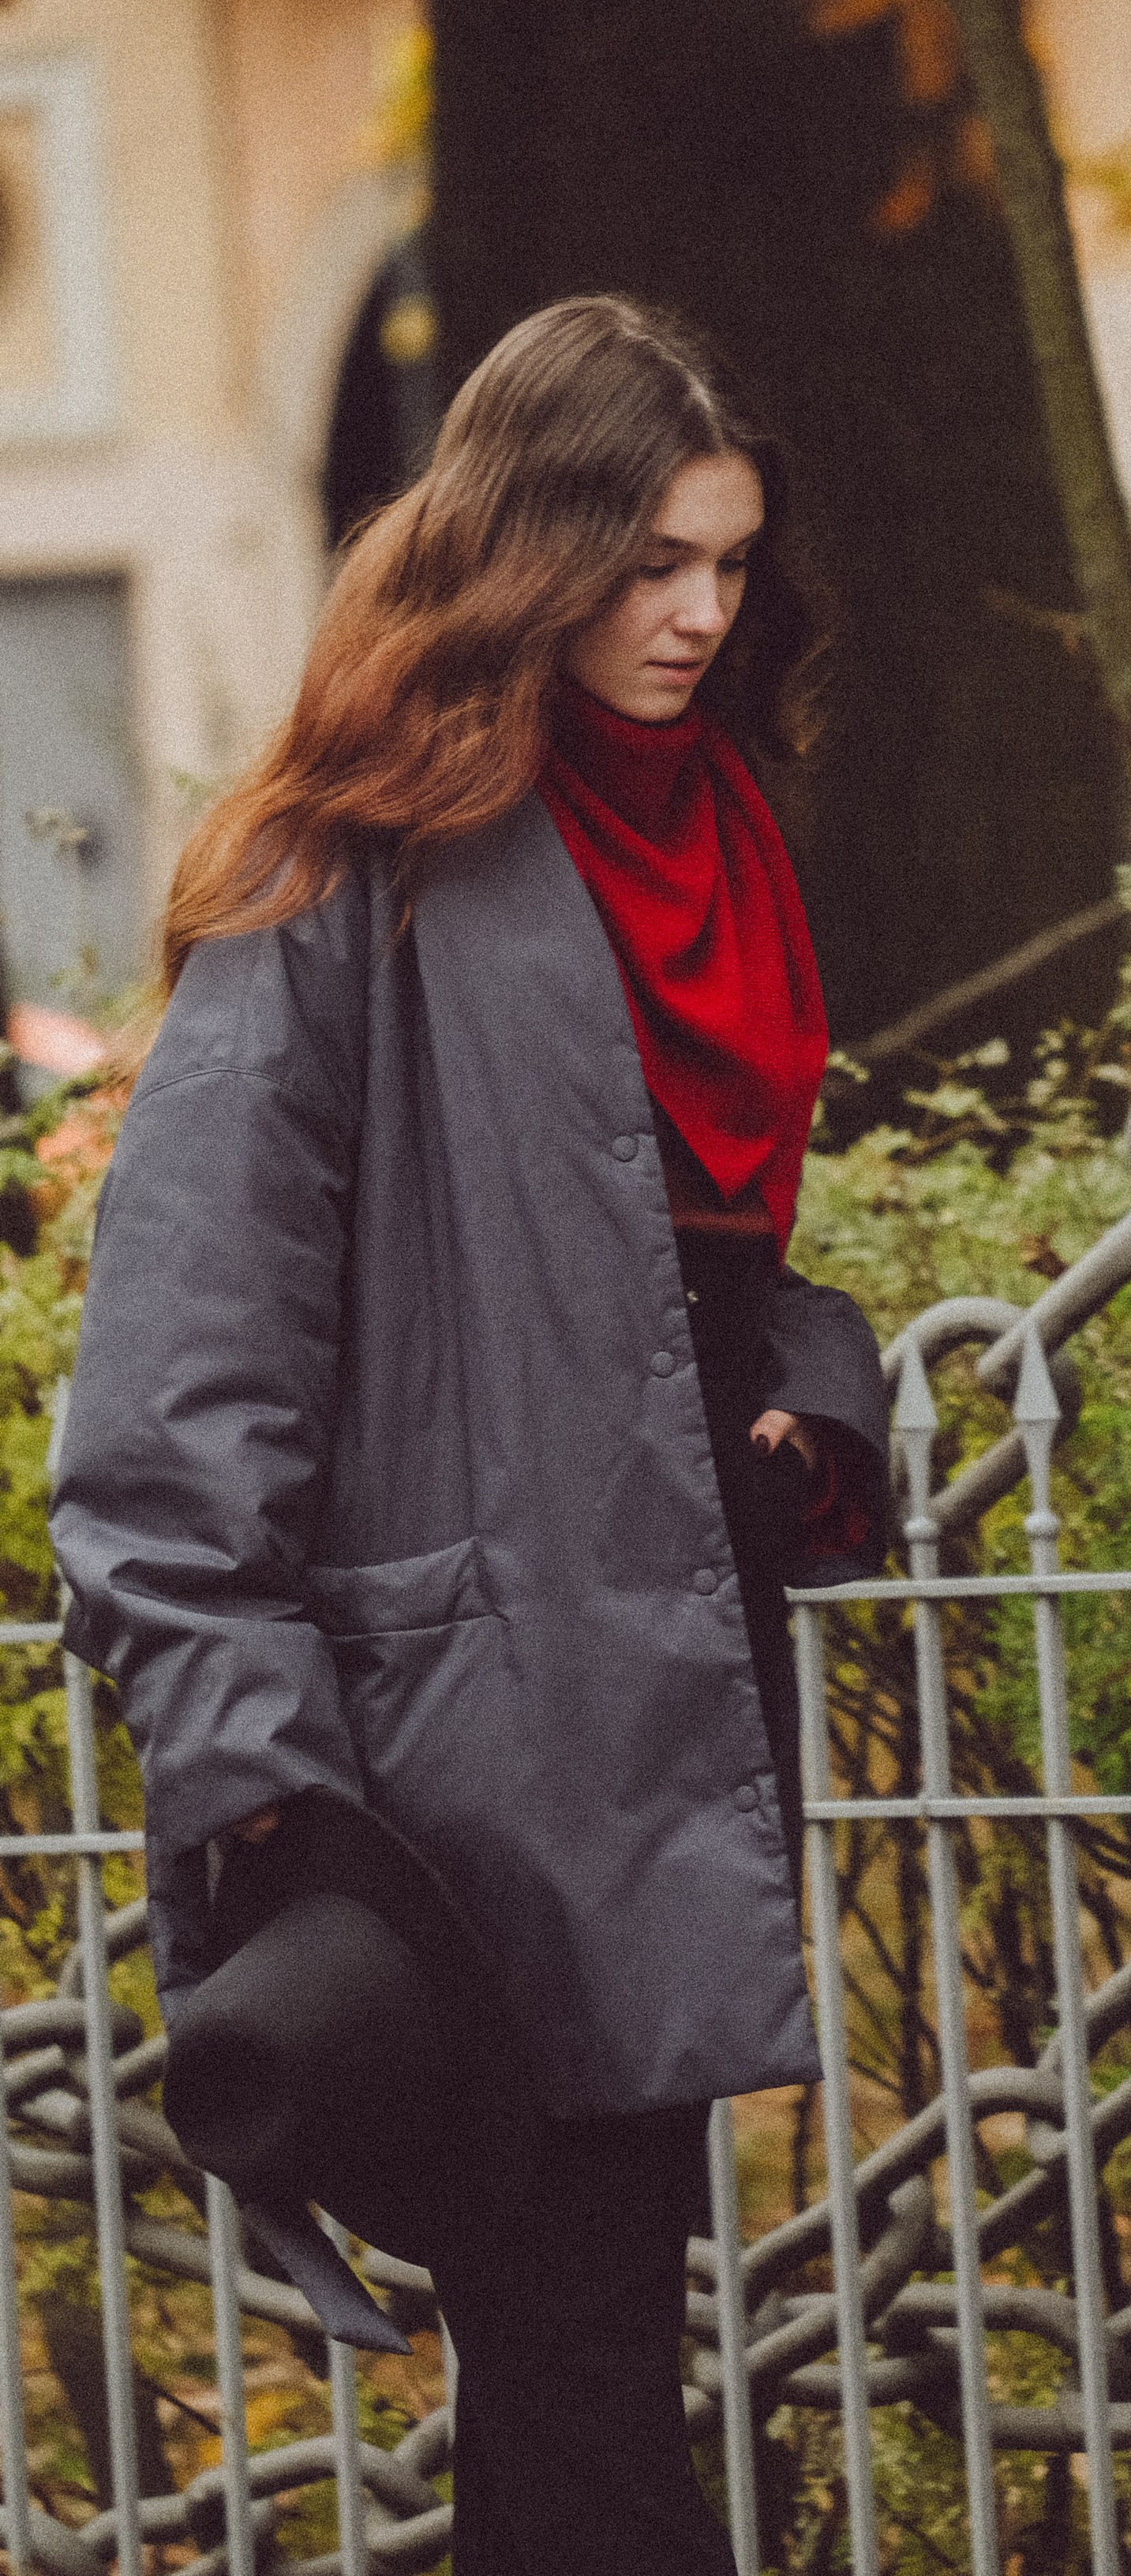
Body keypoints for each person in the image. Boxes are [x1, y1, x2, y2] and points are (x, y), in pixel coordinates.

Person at [53, 295, 892, 2573]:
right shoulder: (350, 869)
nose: (697, 614)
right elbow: (165, 1396)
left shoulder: (721, 828)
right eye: (642, 566)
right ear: (525, 557)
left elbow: (700, 1256)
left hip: (664, 1682)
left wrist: (804, 1384)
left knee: (586, 2359)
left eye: (726, 560)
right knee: (593, 2365)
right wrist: (265, 1768)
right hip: (437, 1764)